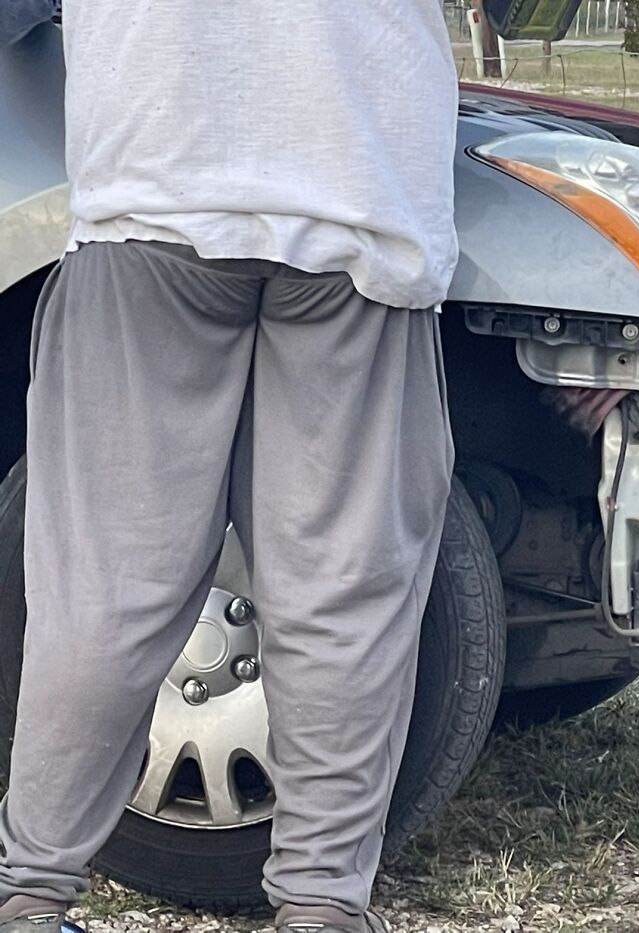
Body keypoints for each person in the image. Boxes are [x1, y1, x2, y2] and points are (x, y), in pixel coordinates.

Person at [0, 2, 459, 932]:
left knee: (107, 584)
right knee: (344, 588)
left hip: (151, 176)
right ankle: (322, 906)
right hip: (358, 185)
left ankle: (30, 893)